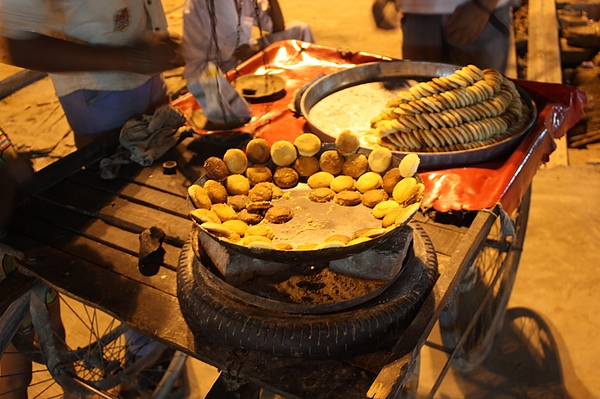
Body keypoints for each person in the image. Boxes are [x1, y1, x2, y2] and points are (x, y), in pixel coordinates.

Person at [0, 0, 184, 149]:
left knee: (161, 147)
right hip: (98, 90)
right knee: (114, 166)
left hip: (150, 66)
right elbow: (17, 47)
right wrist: (132, 60)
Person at [394, 0, 513, 73]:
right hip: (416, 11)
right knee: (419, 102)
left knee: (481, 100)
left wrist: (484, 5)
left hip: (478, 12)